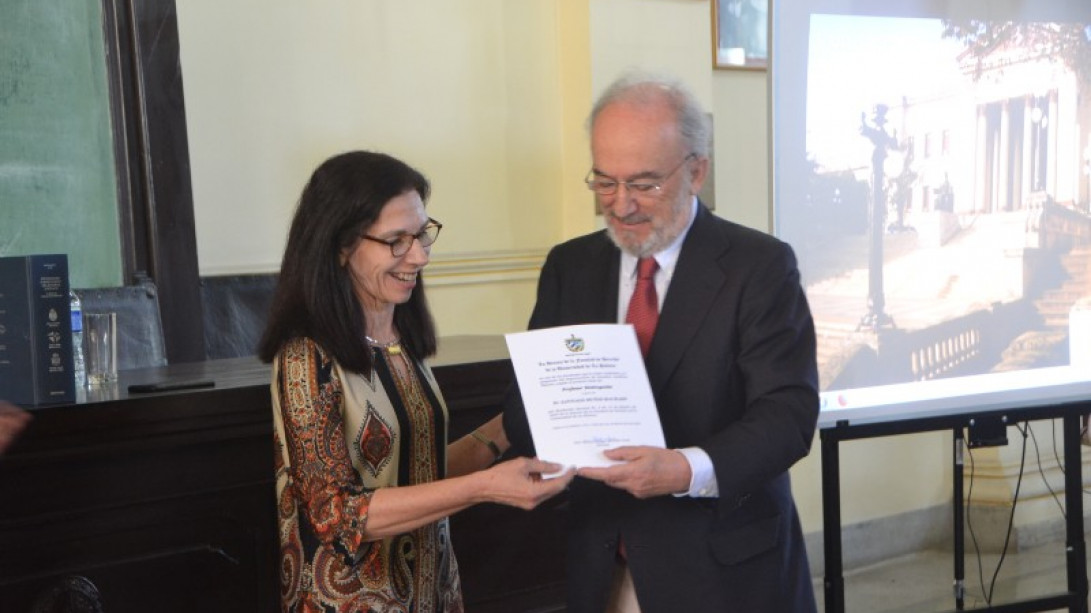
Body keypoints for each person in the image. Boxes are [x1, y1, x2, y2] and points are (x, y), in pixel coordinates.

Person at [503, 73, 819, 612]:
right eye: (604, 182)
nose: (621, 205)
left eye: (645, 184)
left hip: (724, 575)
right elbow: (525, 405)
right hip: (602, 565)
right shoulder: (569, 266)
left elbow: (787, 415)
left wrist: (684, 469)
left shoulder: (758, 267)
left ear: (696, 170)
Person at [258, 150, 574, 612]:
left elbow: (417, 471)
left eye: (423, 234)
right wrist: (486, 487)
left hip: (434, 597)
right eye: (396, 241)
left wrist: (515, 425)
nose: (421, 255)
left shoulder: (400, 339)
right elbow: (337, 515)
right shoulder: (306, 355)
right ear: (341, 245)